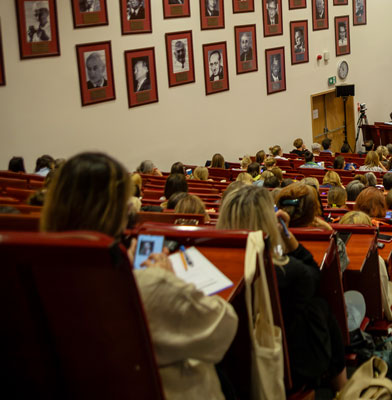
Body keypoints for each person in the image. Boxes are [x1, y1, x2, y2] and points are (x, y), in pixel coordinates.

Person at [40, 152, 238, 399]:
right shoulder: (151, 284)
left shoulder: (34, 278)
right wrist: (167, 278)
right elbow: (225, 327)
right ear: (117, 213)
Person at [217, 185, 347, 393]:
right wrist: (285, 234)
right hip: (276, 365)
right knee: (319, 306)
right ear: (267, 221)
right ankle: (342, 389)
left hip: (223, 366)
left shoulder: (213, 264)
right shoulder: (287, 272)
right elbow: (314, 275)